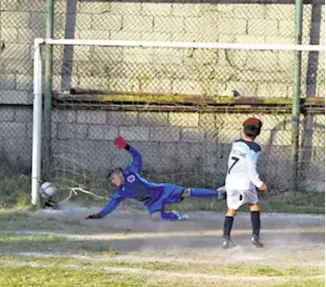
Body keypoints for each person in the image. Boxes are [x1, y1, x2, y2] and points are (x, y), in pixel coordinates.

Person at [86, 136, 225, 221]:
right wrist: (99, 215)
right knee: (156, 218)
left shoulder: (131, 173)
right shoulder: (120, 192)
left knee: (187, 192)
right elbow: (111, 205)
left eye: (113, 178)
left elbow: (137, 156)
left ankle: (218, 193)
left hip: (161, 190)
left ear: (120, 174)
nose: (112, 181)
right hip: (151, 202)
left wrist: (127, 146)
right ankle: (177, 216)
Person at [222, 117, 268, 249]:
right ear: (258, 132)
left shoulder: (236, 143)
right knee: (254, 206)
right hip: (245, 182)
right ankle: (255, 236)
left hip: (230, 182)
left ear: (243, 130)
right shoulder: (255, 148)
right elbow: (251, 167)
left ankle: (226, 239)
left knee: (232, 209)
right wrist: (259, 184)